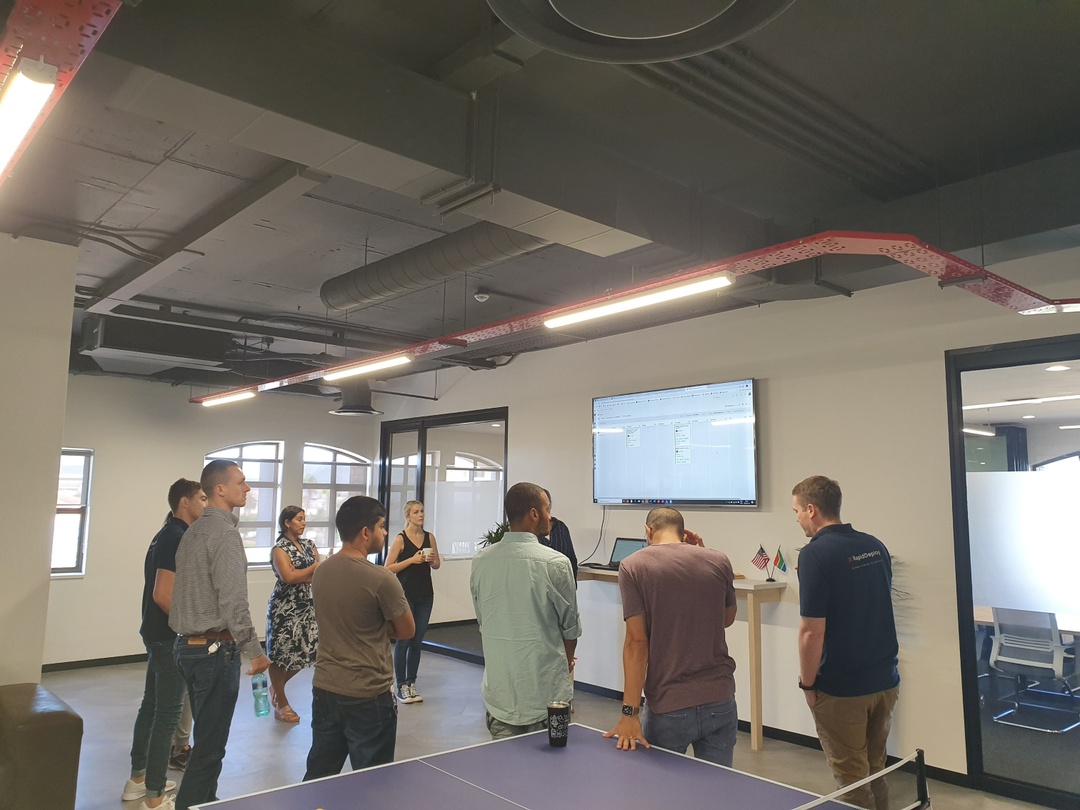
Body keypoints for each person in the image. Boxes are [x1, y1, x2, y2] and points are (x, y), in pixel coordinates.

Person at [792, 475, 900, 810]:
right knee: (875, 770)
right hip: (885, 681)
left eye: (796, 511)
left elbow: (811, 631)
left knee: (852, 781)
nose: (796, 518)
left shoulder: (814, 554)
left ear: (812, 510)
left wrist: (807, 684)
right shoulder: (875, 545)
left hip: (843, 690)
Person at [602, 506, 738, 766]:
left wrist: (629, 713)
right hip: (720, 700)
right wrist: (703, 553)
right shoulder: (719, 560)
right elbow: (725, 619)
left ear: (648, 531)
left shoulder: (633, 566)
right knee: (718, 788)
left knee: (661, 788)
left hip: (669, 705)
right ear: (684, 533)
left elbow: (637, 643)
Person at [170, 460, 270, 810]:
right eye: (241, 482)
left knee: (207, 742)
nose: (247, 488)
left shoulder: (192, 532)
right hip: (214, 652)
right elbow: (233, 603)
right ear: (220, 489)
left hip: (187, 648)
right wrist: (255, 651)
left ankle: (207, 803)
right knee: (210, 750)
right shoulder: (225, 535)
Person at [304, 496, 414, 779]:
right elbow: (407, 630)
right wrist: (377, 626)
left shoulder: (321, 571)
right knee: (372, 783)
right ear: (366, 532)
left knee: (319, 775)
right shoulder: (381, 578)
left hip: (325, 689)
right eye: (382, 526)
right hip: (368, 695)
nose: (385, 532)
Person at [470, 482, 581, 739]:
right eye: (547, 509)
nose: (550, 516)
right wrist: (564, 663)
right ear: (534, 514)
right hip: (547, 698)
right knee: (552, 763)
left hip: (500, 696)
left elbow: (483, 619)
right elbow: (570, 629)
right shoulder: (556, 563)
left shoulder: (481, 561)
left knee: (505, 763)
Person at [121, 479, 206, 810]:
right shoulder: (176, 537)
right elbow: (162, 595)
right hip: (169, 637)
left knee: (152, 705)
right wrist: (194, 627)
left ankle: (139, 780)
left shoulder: (166, 533)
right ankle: (155, 797)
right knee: (167, 714)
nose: (206, 504)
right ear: (185, 502)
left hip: (156, 633)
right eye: (202, 498)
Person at [265, 505, 320, 723]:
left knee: (307, 653)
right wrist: (313, 567)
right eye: (299, 519)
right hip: (285, 608)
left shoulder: (309, 544)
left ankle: (276, 687)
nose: (303, 523)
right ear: (287, 523)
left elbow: (317, 574)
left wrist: (304, 573)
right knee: (282, 655)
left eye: (304, 519)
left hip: (307, 606)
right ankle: (282, 702)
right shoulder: (279, 549)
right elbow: (288, 577)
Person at [384, 500, 440, 704]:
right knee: (404, 639)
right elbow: (388, 567)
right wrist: (411, 560)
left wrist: (432, 561)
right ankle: (400, 685)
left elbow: (437, 564)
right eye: (416, 512)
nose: (420, 515)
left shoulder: (429, 537)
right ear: (408, 516)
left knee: (417, 640)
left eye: (422, 511)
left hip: (425, 595)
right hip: (405, 595)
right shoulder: (400, 539)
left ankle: (411, 682)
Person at [539, 489, 577, 579]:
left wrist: (572, 584)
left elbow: (571, 560)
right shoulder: (530, 531)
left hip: (562, 582)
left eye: (547, 505)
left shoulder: (560, 527)